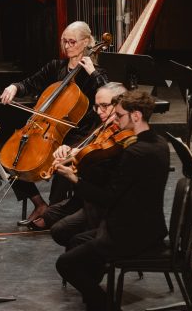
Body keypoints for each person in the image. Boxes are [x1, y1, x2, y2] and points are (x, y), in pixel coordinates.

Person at [55, 90, 170, 311]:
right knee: (78, 241)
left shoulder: (136, 152)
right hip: (147, 226)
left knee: (65, 263)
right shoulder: (159, 143)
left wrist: (74, 179)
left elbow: (108, 198)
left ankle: (104, 304)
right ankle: (94, 300)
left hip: (131, 234)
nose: (115, 121)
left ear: (136, 116)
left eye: (119, 115)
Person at [0, 21, 109, 225]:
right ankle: (40, 204)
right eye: (64, 41)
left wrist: (93, 72)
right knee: (12, 159)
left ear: (86, 42)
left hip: (80, 133)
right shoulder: (55, 67)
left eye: (72, 42)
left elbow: (108, 95)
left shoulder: (94, 73)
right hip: (49, 130)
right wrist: (14, 87)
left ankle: (53, 212)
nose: (67, 46)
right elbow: (29, 83)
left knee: (62, 159)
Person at [31, 82, 127, 241]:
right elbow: (87, 144)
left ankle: (89, 243)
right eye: (97, 107)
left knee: (60, 229)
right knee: (50, 213)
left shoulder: (122, 135)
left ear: (120, 104)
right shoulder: (103, 126)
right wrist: (68, 150)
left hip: (102, 198)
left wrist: (78, 162)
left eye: (104, 106)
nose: (100, 112)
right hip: (87, 192)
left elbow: (104, 172)